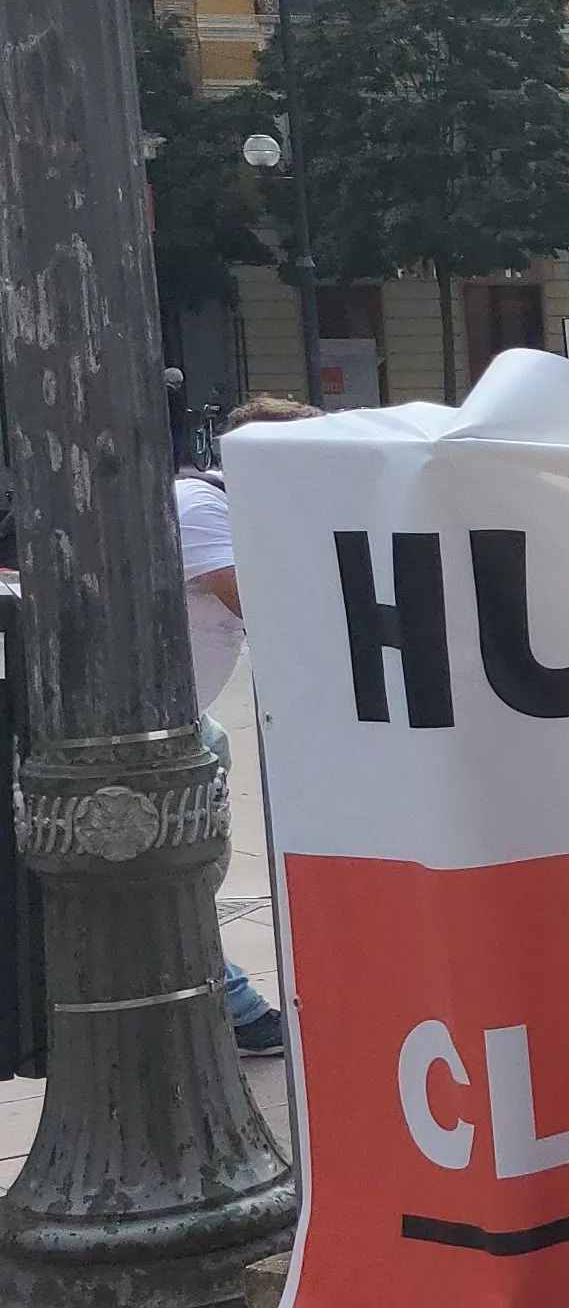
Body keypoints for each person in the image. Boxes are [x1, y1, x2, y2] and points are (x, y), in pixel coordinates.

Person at [173, 394, 316, 1056]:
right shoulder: (201, 509)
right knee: (181, 873)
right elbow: (269, 606)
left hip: (179, 721)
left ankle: (213, 995)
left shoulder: (230, 512)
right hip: (138, 732)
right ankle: (232, 1005)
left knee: (192, 864)